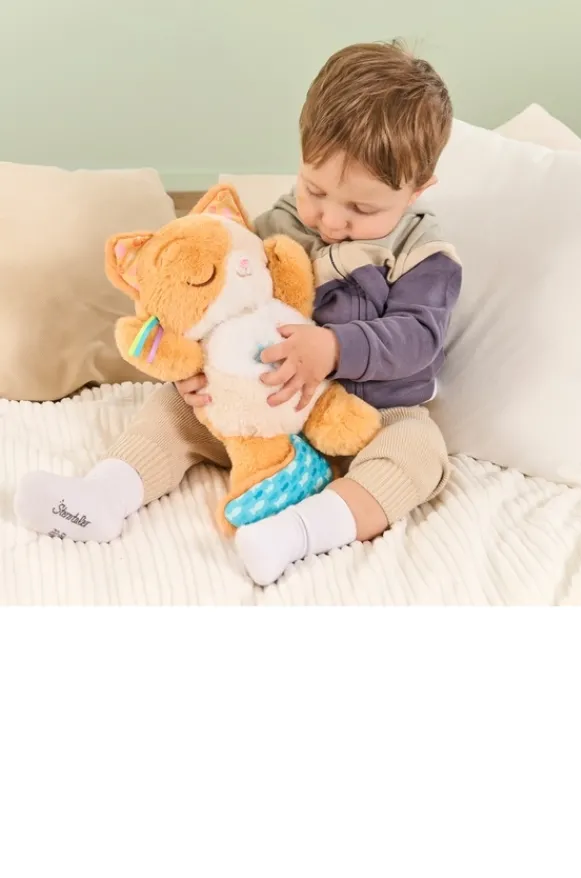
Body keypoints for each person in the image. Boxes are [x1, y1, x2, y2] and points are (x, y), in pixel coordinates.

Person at [14, 40, 462, 586]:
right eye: (315, 190)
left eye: (361, 208)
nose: (330, 220)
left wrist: (333, 349)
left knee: (419, 452)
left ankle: (298, 532)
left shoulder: (422, 254)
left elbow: (419, 337)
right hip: (258, 407)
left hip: (368, 417)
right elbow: (223, 303)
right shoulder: (278, 223)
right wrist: (195, 370)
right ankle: (103, 495)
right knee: (174, 411)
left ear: (417, 190)